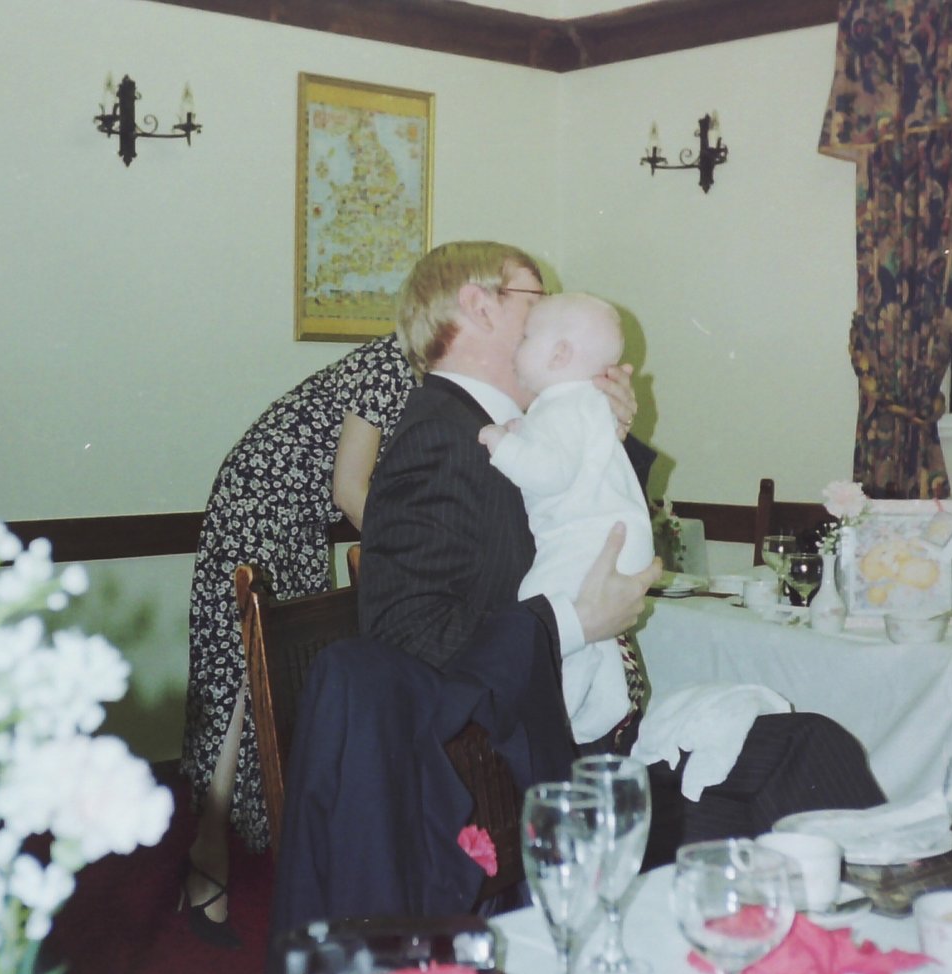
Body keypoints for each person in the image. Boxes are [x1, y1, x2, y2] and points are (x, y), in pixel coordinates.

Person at [360, 240, 887, 861]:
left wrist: (606, 437)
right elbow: (403, 637)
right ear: (478, 306)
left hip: (579, 741)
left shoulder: (509, 428)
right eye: (537, 300)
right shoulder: (443, 437)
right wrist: (574, 623)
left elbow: (577, 527)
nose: (551, 315)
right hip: (520, 781)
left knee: (811, 747)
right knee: (802, 764)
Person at [180, 333, 416, 945]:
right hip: (257, 502)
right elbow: (350, 490)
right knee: (243, 676)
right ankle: (207, 857)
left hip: (301, 520)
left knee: (285, 681)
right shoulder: (390, 362)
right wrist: (417, 559)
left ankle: (275, 842)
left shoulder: (435, 376)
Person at [479, 292, 654, 744]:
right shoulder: (583, 403)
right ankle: (610, 699)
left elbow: (550, 474)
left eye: (526, 337)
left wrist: (502, 444)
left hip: (589, 540)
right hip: (616, 537)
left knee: (540, 606)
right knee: (593, 630)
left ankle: (564, 710)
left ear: (558, 354)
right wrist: (522, 433)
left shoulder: (559, 406)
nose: (517, 346)